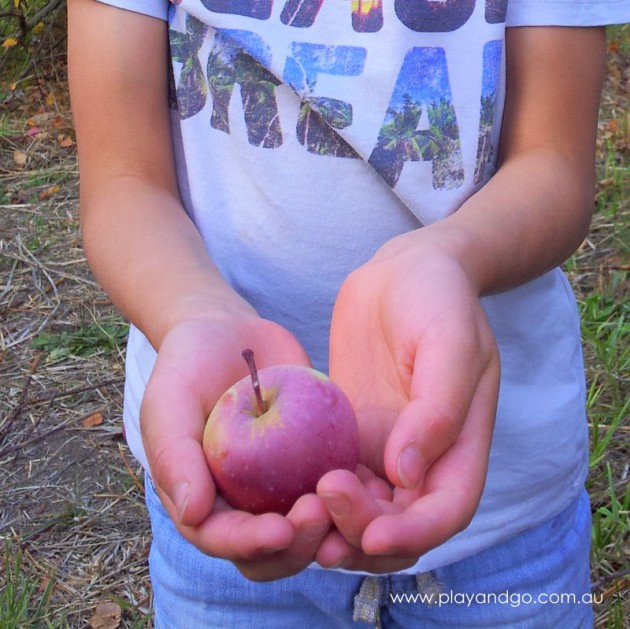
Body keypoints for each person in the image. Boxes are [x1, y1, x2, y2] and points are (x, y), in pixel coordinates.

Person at [67, 0, 629, 626]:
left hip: (503, 496)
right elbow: (122, 180)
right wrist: (190, 312)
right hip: (225, 481)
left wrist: (450, 259)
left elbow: (553, 162)